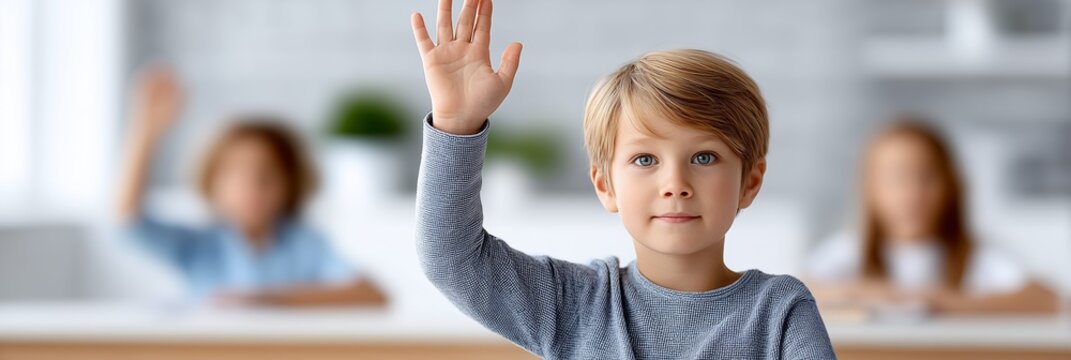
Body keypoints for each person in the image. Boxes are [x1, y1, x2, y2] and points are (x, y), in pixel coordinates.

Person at [409, 0, 836, 358]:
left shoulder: (781, 313)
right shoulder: (573, 304)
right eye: (645, 159)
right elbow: (451, 258)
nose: (675, 184)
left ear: (750, 182)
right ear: (605, 185)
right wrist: (455, 125)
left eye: (704, 157)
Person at [116, 67, 386, 307]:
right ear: (212, 181)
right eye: (235, 173)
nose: (251, 187)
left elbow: (372, 294)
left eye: (266, 175)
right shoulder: (199, 246)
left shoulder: (306, 245)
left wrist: (267, 300)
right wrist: (146, 130)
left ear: (290, 183)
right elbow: (128, 221)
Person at [806, 117, 1059, 314]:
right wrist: (882, 296)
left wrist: (939, 302)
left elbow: (1046, 298)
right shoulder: (851, 249)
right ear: (870, 190)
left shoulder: (978, 256)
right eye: (896, 179)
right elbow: (801, 291)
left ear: (950, 186)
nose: (913, 193)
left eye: (927, 178)